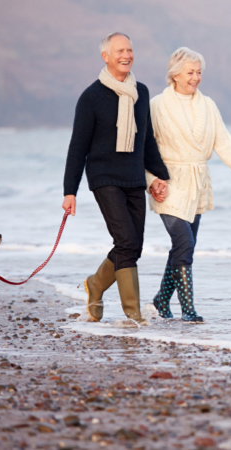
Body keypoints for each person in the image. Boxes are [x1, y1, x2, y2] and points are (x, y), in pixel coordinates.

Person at [62, 32, 170, 324]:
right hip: (104, 177)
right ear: (106, 56)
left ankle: (95, 284)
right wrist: (69, 191)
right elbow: (78, 147)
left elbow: (146, 142)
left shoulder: (141, 92)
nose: (127, 55)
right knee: (125, 239)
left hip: (134, 177)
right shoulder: (91, 97)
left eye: (130, 50)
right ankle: (133, 314)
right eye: (120, 50)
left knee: (133, 245)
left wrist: (161, 177)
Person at [147, 47, 231, 323]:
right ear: (175, 74)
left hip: (197, 182)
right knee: (184, 241)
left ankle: (160, 301)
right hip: (168, 183)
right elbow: (146, 148)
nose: (196, 78)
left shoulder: (207, 105)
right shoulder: (157, 105)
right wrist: (151, 181)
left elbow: (222, 140)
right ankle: (188, 309)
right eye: (191, 72)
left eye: (199, 72)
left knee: (184, 246)